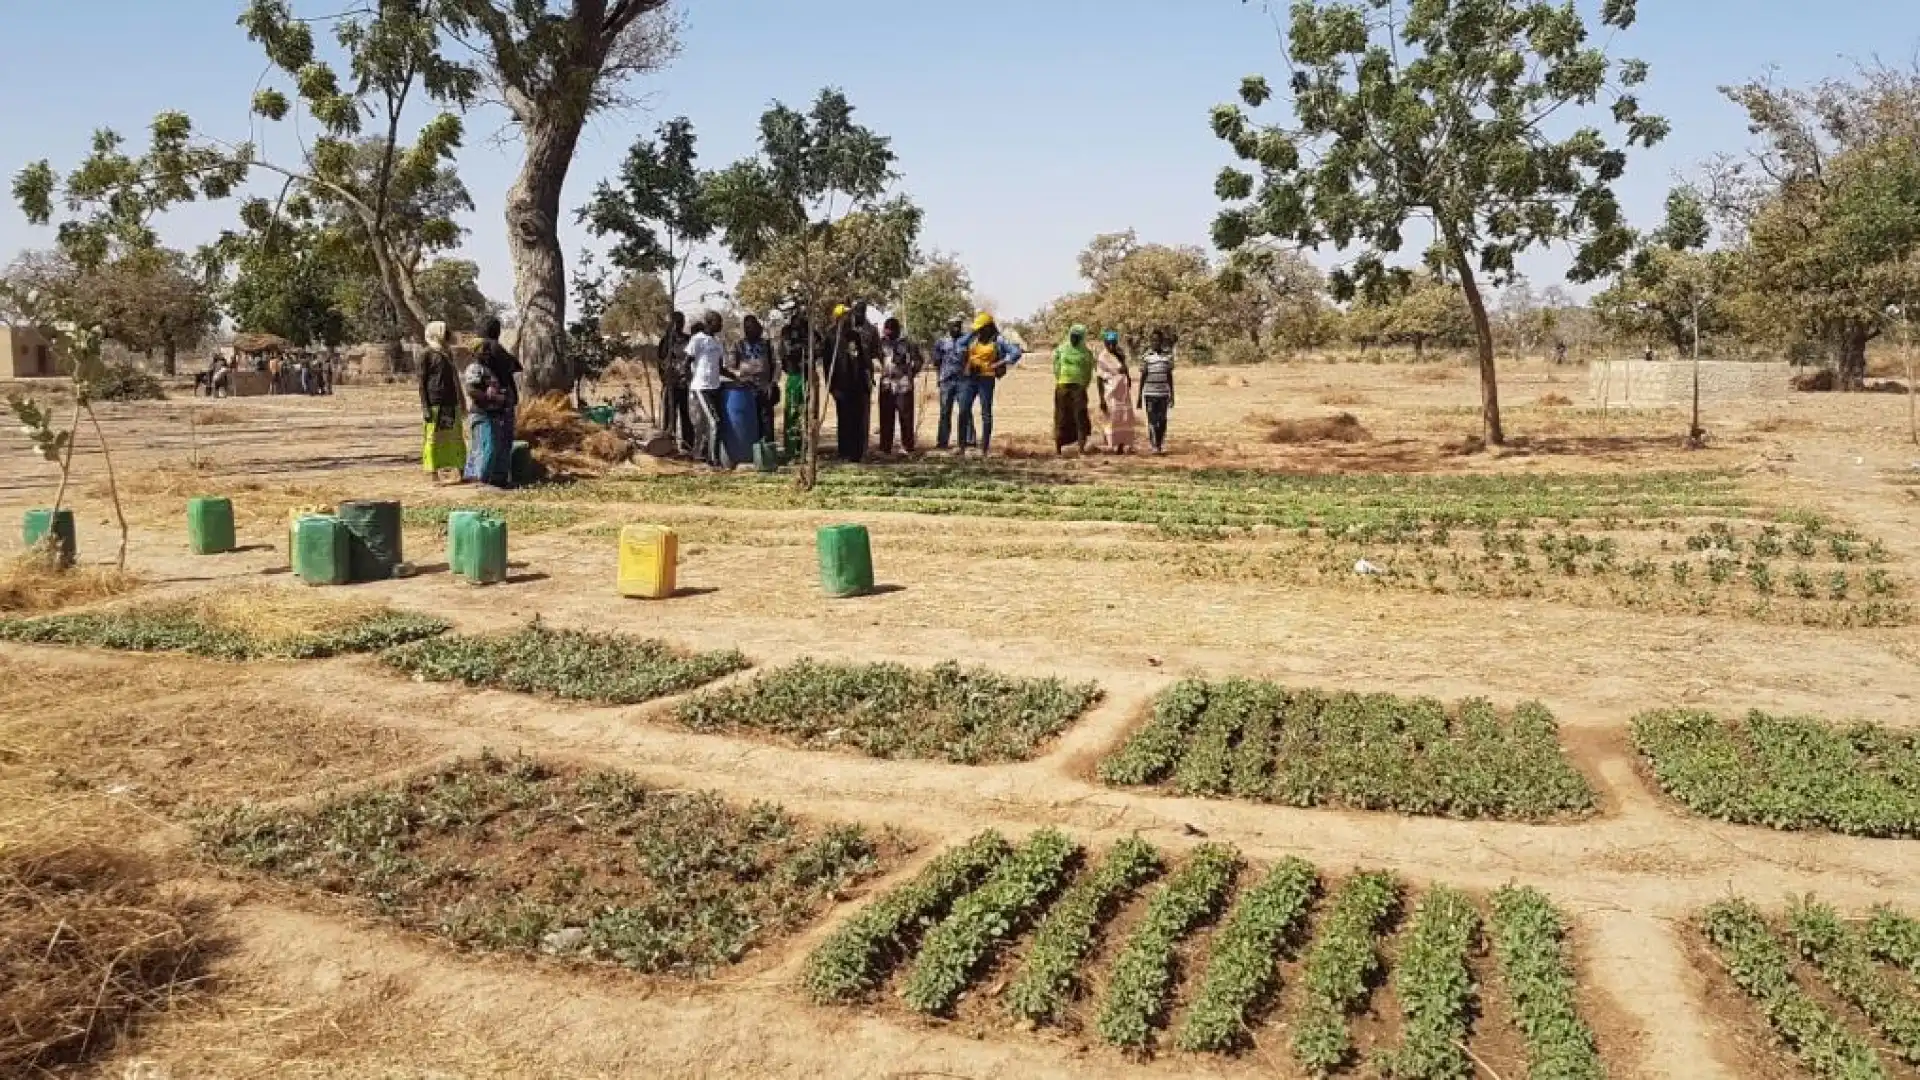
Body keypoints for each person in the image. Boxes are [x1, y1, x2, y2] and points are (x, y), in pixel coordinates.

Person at [955, 313, 1022, 456]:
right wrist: (972, 332)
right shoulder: (973, 338)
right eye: (977, 329)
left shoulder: (998, 340)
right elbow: (959, 344)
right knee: (963, 411)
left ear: (988, 327)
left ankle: (984, 449)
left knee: (986, 413)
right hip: (970, 378)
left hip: (986, 379)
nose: (979, 331)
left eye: (981, 328)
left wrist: (999, 363)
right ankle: (961, 447)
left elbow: (1016, 352)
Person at [476, 316, 523, 488]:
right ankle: (497, 477)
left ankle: (488, 476)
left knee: (489, 439)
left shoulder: (478, 348)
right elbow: (516, 365)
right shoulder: (494, 347)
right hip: (502, 398)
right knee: (503, 439)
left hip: (486, 399)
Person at [417, 321, 466, 482]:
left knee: (454, 438)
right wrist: (425, 407)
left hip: (451, 402)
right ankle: (433, 473)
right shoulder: (426, 354)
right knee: (434, 439)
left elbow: (455, 379)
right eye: (445, 332)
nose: (448, 335)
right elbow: (422, 382)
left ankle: (459, 470)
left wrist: (461, 401)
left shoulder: (447, 353)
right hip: (435, 403)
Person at [827, 303, 875, 462]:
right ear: (838, 317)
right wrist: (832, 387)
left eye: (850, 315)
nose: (850, 317)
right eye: (846, 315)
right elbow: (828, 364)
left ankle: (857, 453)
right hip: (841, 386)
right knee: (844, 420)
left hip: (857, 385)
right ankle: (844, 452)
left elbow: (861, 359)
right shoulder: (831, 336)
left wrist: (866, 379)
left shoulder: (854, 335)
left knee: (857, 419)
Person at [730, 314, 778, 450]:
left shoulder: (767, 344)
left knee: (766, 420)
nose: (749, 331)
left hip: (765, 387)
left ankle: (768, 451)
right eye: (747, 328)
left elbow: (776, 364)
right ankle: (751, 451)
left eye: (752, 327)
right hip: (745, 390)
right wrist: (741, 377)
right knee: (749, 421)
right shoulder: (738, 345)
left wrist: (773, 383)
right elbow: (730, 367)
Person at [686, 311, 727, 466]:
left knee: (711, 424)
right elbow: (687, 363)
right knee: (714, 422)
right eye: (718, 322)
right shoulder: (697, 340)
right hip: (701, 387)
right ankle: (714, 460)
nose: (721, 325)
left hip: (715, 386)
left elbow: (720, 367)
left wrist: (737, 379)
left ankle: (704, 454)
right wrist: (691, 383)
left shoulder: (717, 342)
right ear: (710, 323)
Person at [876, 317, 921, 455]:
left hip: (903, 384)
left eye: (890, 331)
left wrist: (910, 373)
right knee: (886, 417)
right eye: (886, 330)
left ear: (897, 330)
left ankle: (907, 446)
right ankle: (885, 447)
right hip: (886, 384)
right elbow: (874, 358)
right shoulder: (880, 343)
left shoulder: (907, 343)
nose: (887, 333)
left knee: (905, 417)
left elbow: (918, 360)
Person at [462, 350, 508, 485]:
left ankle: (486, 479)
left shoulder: (490, 369)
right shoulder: (475, 369)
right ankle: (481, 480)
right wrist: (491, 397)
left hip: (492, 414)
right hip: (482, 414)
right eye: (484, 351)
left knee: (489, 448)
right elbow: (471, 391)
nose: (488, 354)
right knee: (487, 448)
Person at [1053, 324, 1096, 455]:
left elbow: (1088, 371)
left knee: (1080, 416)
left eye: (1077, 336)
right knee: (1061, 417)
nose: (1074, 338)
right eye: (1072, 336)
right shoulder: (1061, 349)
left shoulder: (1086, 352)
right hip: (1063, 387)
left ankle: (1081, 448)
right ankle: (1059, 448)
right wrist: (1061, 379)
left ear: (1082, 337)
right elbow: (1056, 366)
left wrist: (1083, 385)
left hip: (1079, 388)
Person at [658, 311, 695, 454]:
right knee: (669, 416)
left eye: (682, 321)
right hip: (671, 384)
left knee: (686, 415)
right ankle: (668, 445)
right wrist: (665, 380)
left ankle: (688, 446)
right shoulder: (666, 342)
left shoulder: (688, 340)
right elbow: (660, 362)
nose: (679, 324)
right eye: (677, 322)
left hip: (685, 383)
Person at [1096, 331, 1138, 453]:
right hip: (1111, 392)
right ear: (1105, 343)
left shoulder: (1120, 354)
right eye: (1109, 344)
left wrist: (1128, 378)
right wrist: (1101, 399)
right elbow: (1099, 378)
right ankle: (1112, 445)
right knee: (1112, 419)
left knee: (1124, 418)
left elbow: (1125, 369)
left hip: (1123, 392)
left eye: (1113, 344)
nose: (1111, 347)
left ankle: (1123, 444)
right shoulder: (1102, 357)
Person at [779, 315, 814, 459]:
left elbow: (818, 349)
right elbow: (788, 352)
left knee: (806, 413)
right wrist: (801, 346)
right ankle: (792, 449)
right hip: (794, 376)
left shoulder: (810, 332)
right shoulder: (787, 332)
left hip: (808, 376)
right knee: (792, 411)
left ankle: (804, 447)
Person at [1138, 329, 1177, 455]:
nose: (1155, 343)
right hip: (1149, 393)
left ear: (1162, 342)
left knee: (1162, 420)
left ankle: (1160, 443)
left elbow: (1169, 376)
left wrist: (1172, 395)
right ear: (1151, 342)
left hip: (1163, 394)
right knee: (1152, 420)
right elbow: (1143, 376)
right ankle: (1154, 445)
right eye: (1153, 340)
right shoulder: (1146, 356)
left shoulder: (1168, 356)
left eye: (1158, 340)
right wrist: (1139, 396)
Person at [931, 318, 967, 451]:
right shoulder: (941, 342)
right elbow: (936, 361)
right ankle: (942, 441)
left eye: (958, 326)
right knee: (945, 411)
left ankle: (966, 442)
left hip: (963, 381)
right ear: (948, 327)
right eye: (953, 326)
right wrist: (939, 378)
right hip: (946, 381)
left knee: (964, 411)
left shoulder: (967, 341)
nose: (956, 329)